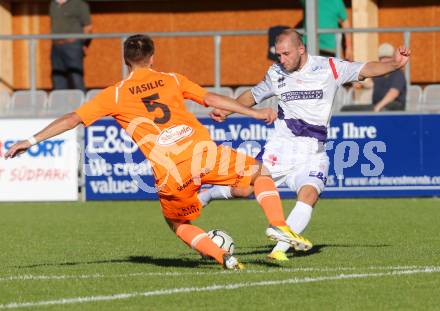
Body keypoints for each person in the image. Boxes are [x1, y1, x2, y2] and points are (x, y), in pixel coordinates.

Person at [4, 34, 312, 270]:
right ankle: (279, 226)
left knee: (178, 224)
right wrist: (255, 114)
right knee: (260, 174)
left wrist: (30, 141)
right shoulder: (172, 80)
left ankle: (224, 258)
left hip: (169, 171)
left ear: (127, 60)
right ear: (152, 57)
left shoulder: (113, 94)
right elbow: (212, 99)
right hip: (202, 153)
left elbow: (72, 119)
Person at [199, 29, 411, 261]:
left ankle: (278, 251)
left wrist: (394, 64)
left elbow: (365, 68)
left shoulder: (329, 67)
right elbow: (252, 96)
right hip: (281, 148)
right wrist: (227, 110)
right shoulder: (276, 73)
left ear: (301, 49)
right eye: (278, 55)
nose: (282, 60)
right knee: (243, 190)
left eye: (286, 54)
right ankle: (208, 195)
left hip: (313, 151)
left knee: (309, 195)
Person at [342, 43, 407, 112]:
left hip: (393, 106)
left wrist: (378, 106)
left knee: (376, 110)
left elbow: (393, 93)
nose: (385, 60)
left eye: (388, 57)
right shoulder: (379, 72)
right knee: (346, 109)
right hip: (376, 105)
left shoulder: (398, 73)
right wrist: (358, 82)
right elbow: (370, 84)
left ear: (393, 58)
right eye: (382, 58)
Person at [50, 0, 92, 92]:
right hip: (56, 46)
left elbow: (88, 27)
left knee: (76, 77)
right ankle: (60, 105)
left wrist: (83, 43)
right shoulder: (53, 3)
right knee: (57, 78)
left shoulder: (79, 4)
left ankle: (82, 104)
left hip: (73, 45)